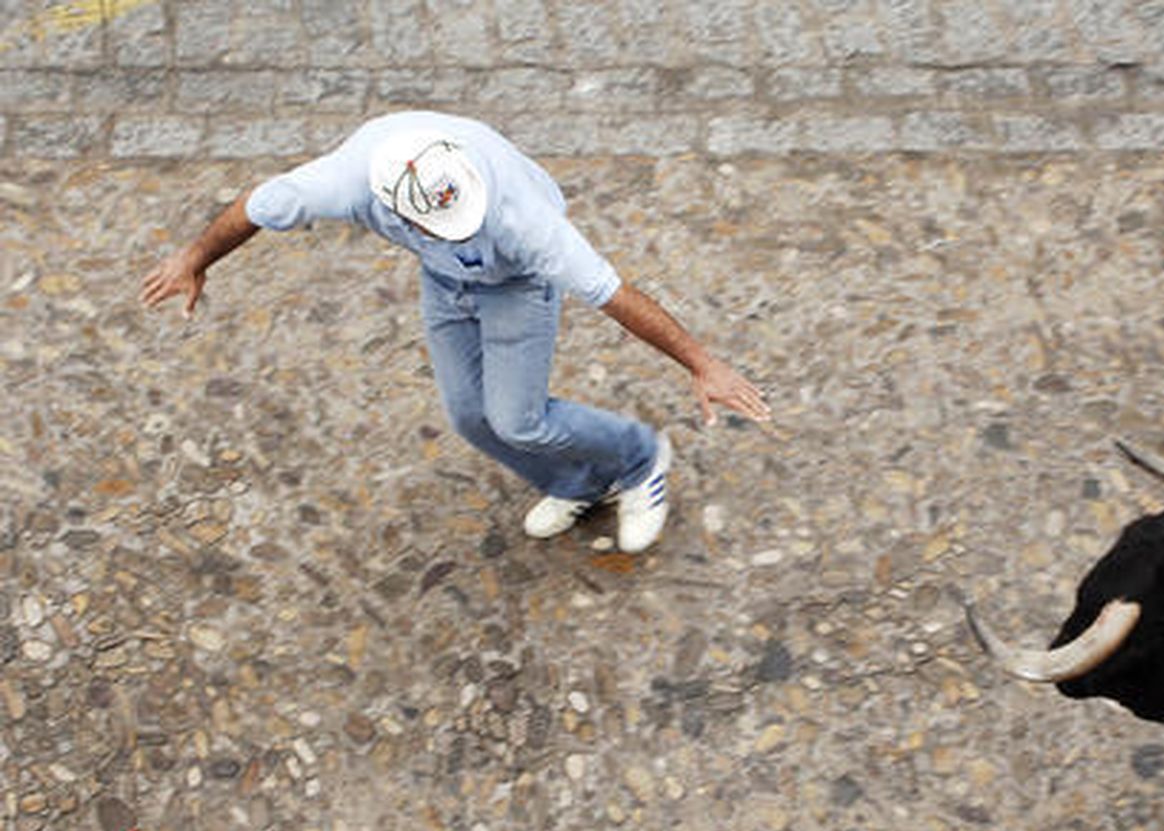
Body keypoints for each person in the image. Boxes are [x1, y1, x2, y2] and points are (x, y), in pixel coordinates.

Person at [141, 110, 770, 553]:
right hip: (444, 284)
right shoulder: (345, 182)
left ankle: (639, 457)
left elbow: (613, 292)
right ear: (391, 207)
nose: (466, 227)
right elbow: (256, 205)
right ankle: (577, 481)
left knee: (519, 419)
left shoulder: (523, 223)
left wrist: (699, 362)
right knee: (470, 416)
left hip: (516, 286)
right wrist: (195, 259)